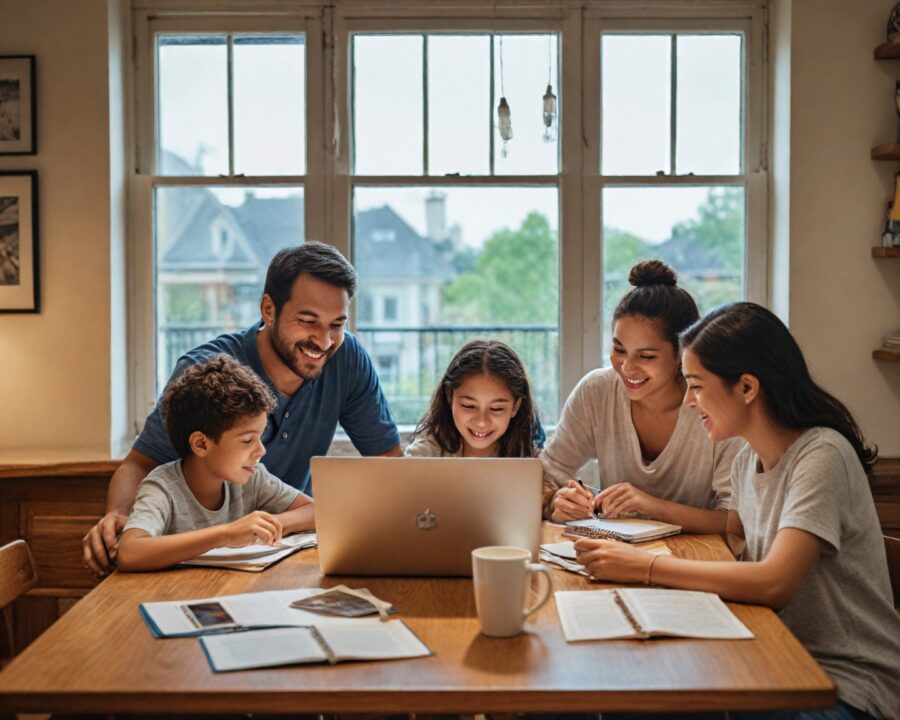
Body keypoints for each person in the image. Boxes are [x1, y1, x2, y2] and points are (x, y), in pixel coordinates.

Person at [575, 302, 900, 720]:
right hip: (777, 661)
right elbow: (738, 537)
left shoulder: (822, 455)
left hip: (848, 686)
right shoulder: (749, 459)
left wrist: (644, 566)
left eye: (695, 385)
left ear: (746, 388)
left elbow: (773, 582)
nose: (689, 402)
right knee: (644, 692)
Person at [84, 241, 401, 576]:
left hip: (279, 555)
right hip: (189, 567)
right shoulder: (208, 372)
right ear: (268, 309)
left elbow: (389, 464)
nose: (324, 341)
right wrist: (119, 515)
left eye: (337, 325)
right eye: (308, 321)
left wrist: (265, 526)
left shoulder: (347, 358)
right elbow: (140, 463)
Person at [543, 260, 742, 533]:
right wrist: (557, 500)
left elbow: (735, 521)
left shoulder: (715, 406)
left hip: (698, 560)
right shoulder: (597, 391)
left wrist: (653, 507)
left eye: (646, 356)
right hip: (616, 554)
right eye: (619, 350)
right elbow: (549, 469)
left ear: (682, 355)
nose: (627, 368)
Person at [117, 355, 314, 572]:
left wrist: (268, 525)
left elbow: (315, 511)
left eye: (260, 436)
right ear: (201, 444)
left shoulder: (253, 478)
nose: (261, 450)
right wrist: (226, 534)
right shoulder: (162, 487)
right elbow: (130, 552)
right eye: (247, 440)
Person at [405, 339, 544, 458]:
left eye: (497, 408)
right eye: (468, 406)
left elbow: (552, 481)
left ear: (515, 407)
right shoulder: (427, 451)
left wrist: (551, 489)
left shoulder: (529, 450)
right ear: (449, 397)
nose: (481, 422)